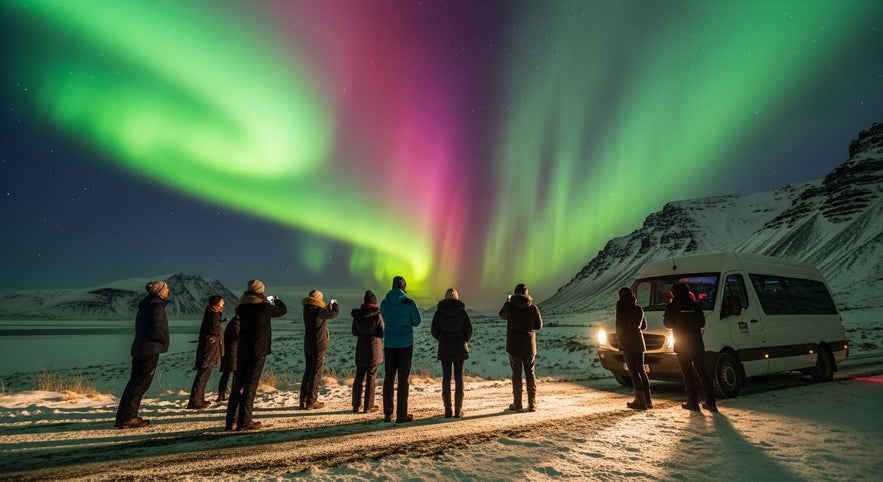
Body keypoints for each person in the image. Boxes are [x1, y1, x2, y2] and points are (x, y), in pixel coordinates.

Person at [225, 279, 287, 431]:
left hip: (242, 349)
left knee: (238, 384)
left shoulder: (241, 307)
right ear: (261, 291)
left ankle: (230, 421)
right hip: (258, 350)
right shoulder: (263, 307)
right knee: (250, 386)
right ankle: (244, 422)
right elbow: (282, 311)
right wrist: (277, 300)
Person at [114, 280, 171, 429]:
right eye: (166, 289)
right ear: (160, 292)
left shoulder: (146, 305)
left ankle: (122, 417)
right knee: (140, 385)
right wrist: (165, 340)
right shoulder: (156, 307)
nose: (168, 291)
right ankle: (129, 418)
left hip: (140, 348)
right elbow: (155, 330)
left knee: (134, 382)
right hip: (149, 350)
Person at [663, 283, 718, 412]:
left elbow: (668, 324)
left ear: (674, 293)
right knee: (702, 372)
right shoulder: (695, 306)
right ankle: (711, 402)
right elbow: (702, 323)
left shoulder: (672, 306)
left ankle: (692, 402)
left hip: (682, 344)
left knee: (687, 373)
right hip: (697, 343)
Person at [380, 276, 421, 423]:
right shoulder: (409, 303)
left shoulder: (384, 303)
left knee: (389, 378)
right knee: (403, 380)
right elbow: (417, 322)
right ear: (404, 287)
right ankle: (401, 414)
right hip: (405, 344)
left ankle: (387, 413)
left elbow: (383, 319)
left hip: (389, 344)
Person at [498, 283, 543, 412]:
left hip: (514, 346)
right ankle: (532, 404)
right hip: (529, 346)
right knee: (530, 373)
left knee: (516, 374)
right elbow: (539, 326)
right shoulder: (533, 308)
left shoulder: (510, 307)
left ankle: (517, 404)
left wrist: (507, 301)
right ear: (527, 294)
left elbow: (501, 315)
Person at [431, 288, 473, 418]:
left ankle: (447, 410)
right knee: (459, 378)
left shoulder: (439, 312)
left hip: (445, 348)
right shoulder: (462, 312)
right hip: (460, 348)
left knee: (446, 378)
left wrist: (442, 339)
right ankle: (458, 410)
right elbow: (469, 330)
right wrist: (463, 340)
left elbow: (434, 330)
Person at [300, 289, 340, 410]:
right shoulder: (319, 311)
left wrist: (326, 308)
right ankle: (312, 401)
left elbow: (324, 314)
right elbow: (334, 314)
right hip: (319, 345)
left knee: (308, 372)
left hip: (308, 345)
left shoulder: (307, 309)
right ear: (319, 299)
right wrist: (335, 305)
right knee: (316, 373)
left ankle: (303, 401)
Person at [615, 287, 652, 410]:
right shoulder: (638, 309)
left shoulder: (621, 310)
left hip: (627, 343)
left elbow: (619, 329)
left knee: (634, 372)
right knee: (641, 370)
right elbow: (644, 326)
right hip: (639, 342)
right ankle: (648, 400)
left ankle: (640, 401)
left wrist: (620, 339)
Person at [187, 295, 224, 409]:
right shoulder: (214, 314)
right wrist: (219, 331)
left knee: (203, 375)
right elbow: (214, 330)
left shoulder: (210, 313)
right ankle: (195, 401)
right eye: (222, 301)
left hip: (207, 348)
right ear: (216, 303)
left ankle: (198, 399)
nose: (223, 303)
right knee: (203, 375)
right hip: (209, 349)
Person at [351, 290, 384, 413]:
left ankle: (355, 405)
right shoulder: (377, 315)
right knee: (371, 377)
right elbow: (381, 331)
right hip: (373, 348)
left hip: (361, 347)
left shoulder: (357, 315)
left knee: (359, 376)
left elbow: (354, 332)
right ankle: (368, 406)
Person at [216, 312, 240, 402]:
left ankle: (222, 395)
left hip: (229, 352)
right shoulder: (235, 325)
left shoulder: (234, 323)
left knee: (227, 374)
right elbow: (237, 338)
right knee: (235, 374)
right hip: (233, 353)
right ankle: (233, 395)